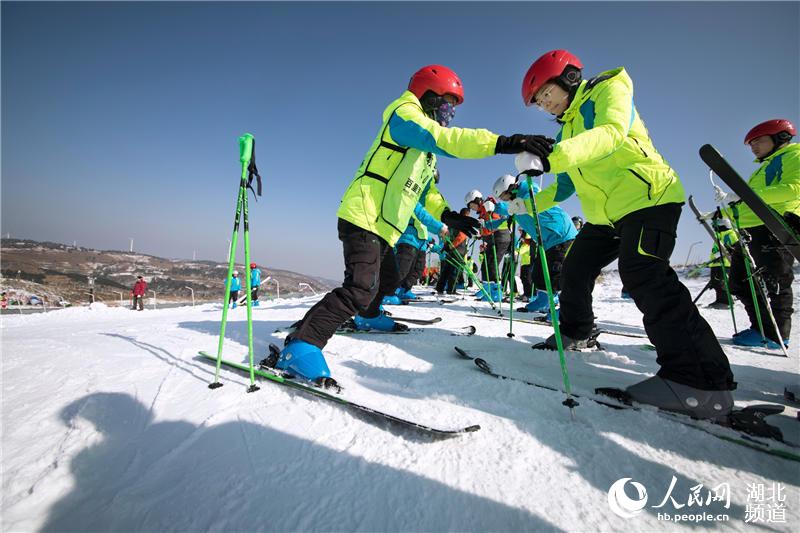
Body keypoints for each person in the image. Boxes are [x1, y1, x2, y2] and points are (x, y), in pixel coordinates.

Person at [274, 64, 553, 386]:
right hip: (364, 213)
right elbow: (444, 139)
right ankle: (303, 344)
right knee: (360, 285)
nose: (449, 113)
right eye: (447, 103)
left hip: (385, 224)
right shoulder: (404, 115)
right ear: (428, 96)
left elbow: (426, 192)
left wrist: (448, 215)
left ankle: (368, 316)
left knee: (389, 277)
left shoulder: (423, 153)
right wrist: (506, 142)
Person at [517, 49, 735, 419]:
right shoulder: (568, 127)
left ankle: (700, 381)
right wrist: (529, 201)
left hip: (649, 197)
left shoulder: (608, 88)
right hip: (609, 216)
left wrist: (553, 154)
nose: (544, 105)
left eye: (545, 95)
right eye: (538, 103)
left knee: (643, 274)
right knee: (576, 266)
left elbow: (610, 134)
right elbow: (567, 183)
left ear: (567, 77)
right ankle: (577, 331)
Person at [714, 119, 798, 349]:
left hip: (774, 228)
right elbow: (752, 201)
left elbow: (794, 188)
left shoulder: (794, 156)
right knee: (739, 283)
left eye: (759, 141)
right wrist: (729, 207)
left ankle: (778, 334)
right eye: (751, 144)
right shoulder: (766, 166)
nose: (753, 147)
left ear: (780, 137)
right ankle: (761, 328)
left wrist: (745, 193)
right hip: (750, 232)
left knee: (776, 283)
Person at [491, 174, 578, 313]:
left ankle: (566, 308)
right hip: (547, 240)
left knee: (556, 274)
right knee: (538, 274)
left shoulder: (529, 190)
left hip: (560, 234)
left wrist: (514, 205)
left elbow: (533, 201)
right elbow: (508, 212)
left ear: (511, 189)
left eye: (503, 196)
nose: (503, 199)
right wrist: (493, 212)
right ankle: (543, 301)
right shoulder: (516, 204)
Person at [465, 189, 510, 302]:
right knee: (486, 264)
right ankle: (487, 289)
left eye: (472, 205)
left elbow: (495, 223)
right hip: (492, 238)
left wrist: (483, 230)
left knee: (492, 264)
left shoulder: (488, 206)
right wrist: (481, 234)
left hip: (500, 237)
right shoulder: (483, 211)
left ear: (477, 200)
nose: (472, 208)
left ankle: (496, 292)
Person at [436, 208, 471, 294]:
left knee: (447, 269)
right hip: (458, 249)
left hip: (451, 249)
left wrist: (446, 246)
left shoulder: (453, 223)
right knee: (455, 270)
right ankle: (451, 290)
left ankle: (440, 287)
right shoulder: (464, 222)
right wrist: (452, 246)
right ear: (466, 214)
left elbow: (447, 235)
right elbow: (461, 236)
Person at [706, 218, 738, 309]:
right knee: (715, 283)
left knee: (721, 283)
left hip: (724, 263)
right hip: (716, 264)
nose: (714, 229)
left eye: (716, 227)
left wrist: (720, 254)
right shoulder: (718, 236)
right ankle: (720, 300)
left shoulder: (730, 235)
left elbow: (731, 248)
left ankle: (726, 301)